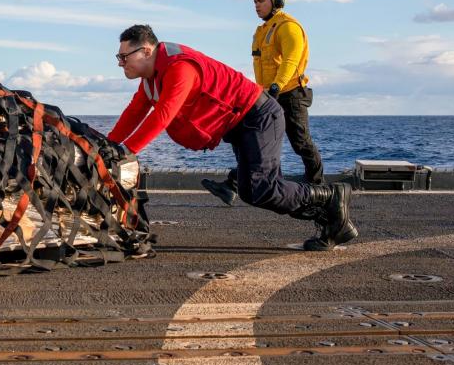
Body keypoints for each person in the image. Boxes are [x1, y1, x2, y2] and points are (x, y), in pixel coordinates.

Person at [107, 24, 356, 251]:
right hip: (242, 124)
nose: (121, 62)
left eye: (124, 56)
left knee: (264, 189)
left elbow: (163, 115)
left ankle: (331, 196)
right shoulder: (151, 81)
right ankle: (333, 221)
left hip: (259, 115)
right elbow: (134, 112)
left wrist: (125, 151)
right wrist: (105, 146)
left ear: (147, 51)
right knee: (252, 191)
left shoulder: (180, 68)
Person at [202, 0, 325, 206]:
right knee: (249, 137)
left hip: (290, 95)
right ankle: (233, 184)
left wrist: (277, 85)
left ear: (276, 1)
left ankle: (318, 187)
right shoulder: (261, 31)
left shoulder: (288, 26)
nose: (256, 5)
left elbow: (291, 59)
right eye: (255, 1)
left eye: (261, 0)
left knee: (301, 143)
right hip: (267, 96)